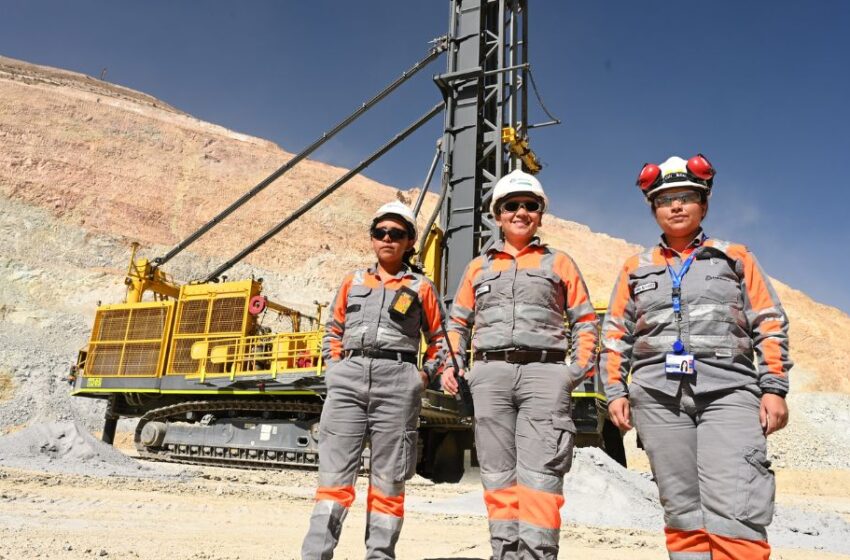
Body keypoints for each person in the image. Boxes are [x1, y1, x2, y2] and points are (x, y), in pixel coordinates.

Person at [600, 154, 791, 560]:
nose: (676, 205)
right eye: (665, 199)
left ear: (704, 204)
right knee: (682, 508)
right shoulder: (636, 268)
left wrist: (773, 387)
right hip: (657, 398)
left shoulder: (735, 257)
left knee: (737, 505)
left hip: (730, 391)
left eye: (687, 196)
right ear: (654, 210)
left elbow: (769, 323)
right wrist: (615, 391)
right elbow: (616, 334)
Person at [441, 169, 598, 560]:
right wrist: (454, 366)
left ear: (540, 215)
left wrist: (571, 373)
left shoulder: (559, 263)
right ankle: (504, 553)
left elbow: (585, 321)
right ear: (498, 214)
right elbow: (458, 323)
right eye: (512, 205)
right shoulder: (478, 268)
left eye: (530, 206)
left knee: (542, 477)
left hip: (545, 374)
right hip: (489, 377)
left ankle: (538, 555)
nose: (521, 212)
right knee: (497, 476)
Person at [301, 201, 446, 559]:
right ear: (371, 239)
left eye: (397, 234)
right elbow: (333, 331)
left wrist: (422, 377)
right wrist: (335, 369)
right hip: (348, 380)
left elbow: (442, 341)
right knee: (334, 479)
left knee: (389, 481)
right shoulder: (352, 282)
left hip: (398, 383)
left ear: (410, 242)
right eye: (380, 232)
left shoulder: (421, 288)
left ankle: (380, 555)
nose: (387, 239)